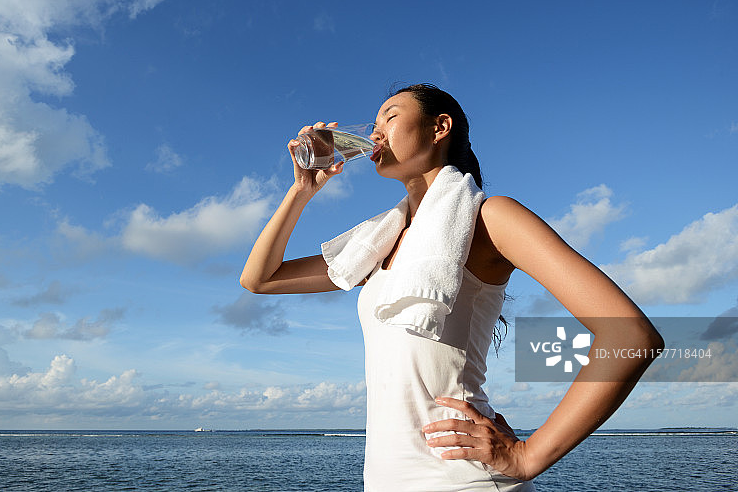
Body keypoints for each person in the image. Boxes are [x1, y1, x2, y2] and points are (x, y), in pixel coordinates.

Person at [240, 83, 664, 491]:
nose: (374, 134)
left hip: (464, 482)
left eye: (389, 117)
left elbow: (630, 336)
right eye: (371, 125)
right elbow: (260, 279)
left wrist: (527, 456)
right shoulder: (375, 245)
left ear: (439, 128)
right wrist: (301, 190)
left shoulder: (490, 218)